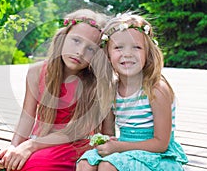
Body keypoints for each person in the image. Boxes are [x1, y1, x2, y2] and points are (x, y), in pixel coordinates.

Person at [0, 9, 116, 171]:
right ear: (63, 38)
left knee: (37, 166)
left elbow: (81, 130)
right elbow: (27, 117)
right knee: (21, 163)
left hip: (77, 145)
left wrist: (31, 145)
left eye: (90, 49)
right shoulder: (37, 72)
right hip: (42, 140)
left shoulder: (97, 83)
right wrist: (14, 145)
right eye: (76, 41)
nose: (80, 52)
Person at [76, 12, 188, 171]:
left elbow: (161, 143)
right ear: (108, 55)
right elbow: (108, 135)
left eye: (136, 47)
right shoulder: (111, 92)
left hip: (156, 155)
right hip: (125, 149)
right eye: (118, 47)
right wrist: (104, 144)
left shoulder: (156, 89)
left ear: (147, 53)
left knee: (108, 166)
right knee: (85, 163)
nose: (127, 54)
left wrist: (118, 147)